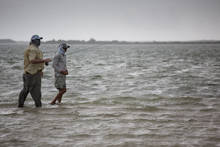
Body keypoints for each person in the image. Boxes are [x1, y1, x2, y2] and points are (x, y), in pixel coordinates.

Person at [18, 35, 51, 107]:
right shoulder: (33, 49)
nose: (39, 41)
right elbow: (32, 60)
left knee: (26, 90)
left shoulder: (34, 48)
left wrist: (42, 67)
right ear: (34, 41)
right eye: (38, 40)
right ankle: (38, 110)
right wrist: (44, 60)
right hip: (32, 74)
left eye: (39, 40)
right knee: (36, 93)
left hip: (31, 73)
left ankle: (20, 107)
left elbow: (35, 61)